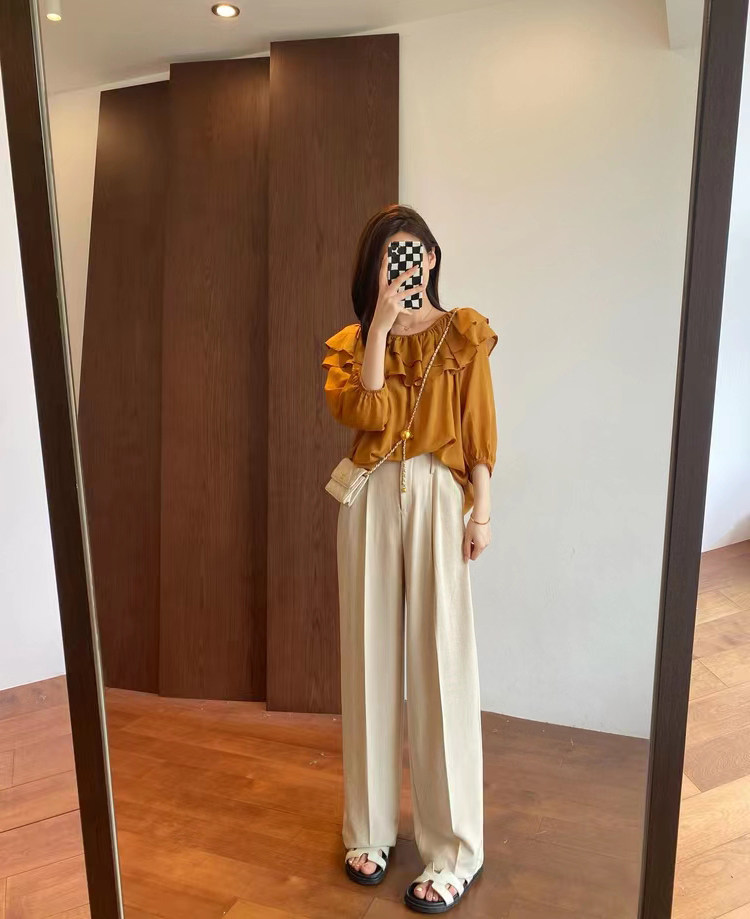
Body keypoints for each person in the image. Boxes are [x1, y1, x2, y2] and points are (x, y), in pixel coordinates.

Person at [321, 204, 498, 913]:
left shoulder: (463, 332)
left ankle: (453, 851)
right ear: (375, 269)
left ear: (430, 258)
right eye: (390, 254)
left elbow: (478, 428)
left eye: (414, 250)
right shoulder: (352, 343)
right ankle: (367, 829)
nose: (406, 263)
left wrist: (481, 510)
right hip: (369, 493)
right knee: (367, 662)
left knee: (441, 666)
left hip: (435, 493)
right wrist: (381, 328)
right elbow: (366, 412)